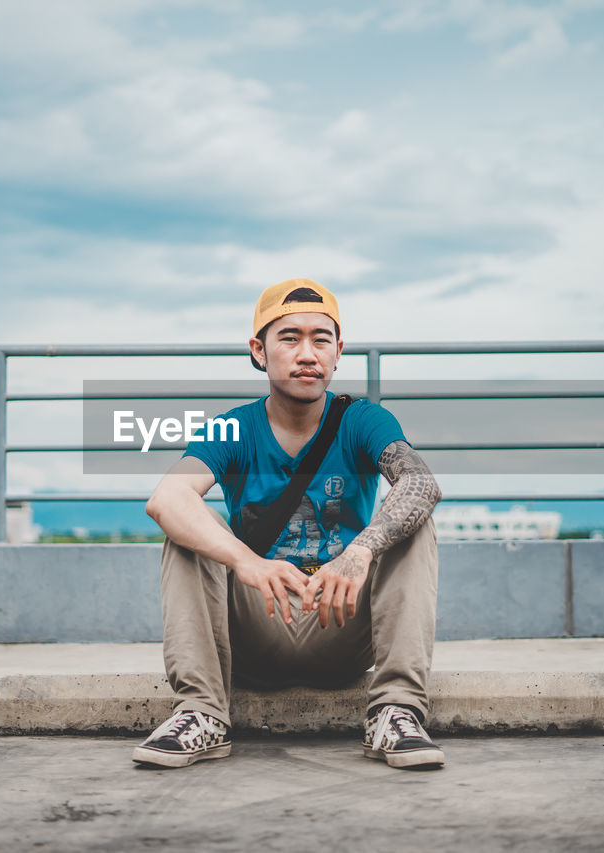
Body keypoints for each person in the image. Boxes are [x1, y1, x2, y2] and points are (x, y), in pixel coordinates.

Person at [135, 278, 443, 769]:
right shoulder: (232, 428)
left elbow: (421, 483)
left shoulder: (362, 420)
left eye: (321, 339)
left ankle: (396, 710)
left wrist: (359, 552)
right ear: (259, 350)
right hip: (255, 630)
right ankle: (201, 712)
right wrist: (245, 561)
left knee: (412, 521)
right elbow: (166, 498)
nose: (307, 353)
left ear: (338, 352)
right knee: (188, 526)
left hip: (340, 624)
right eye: (289, 338)